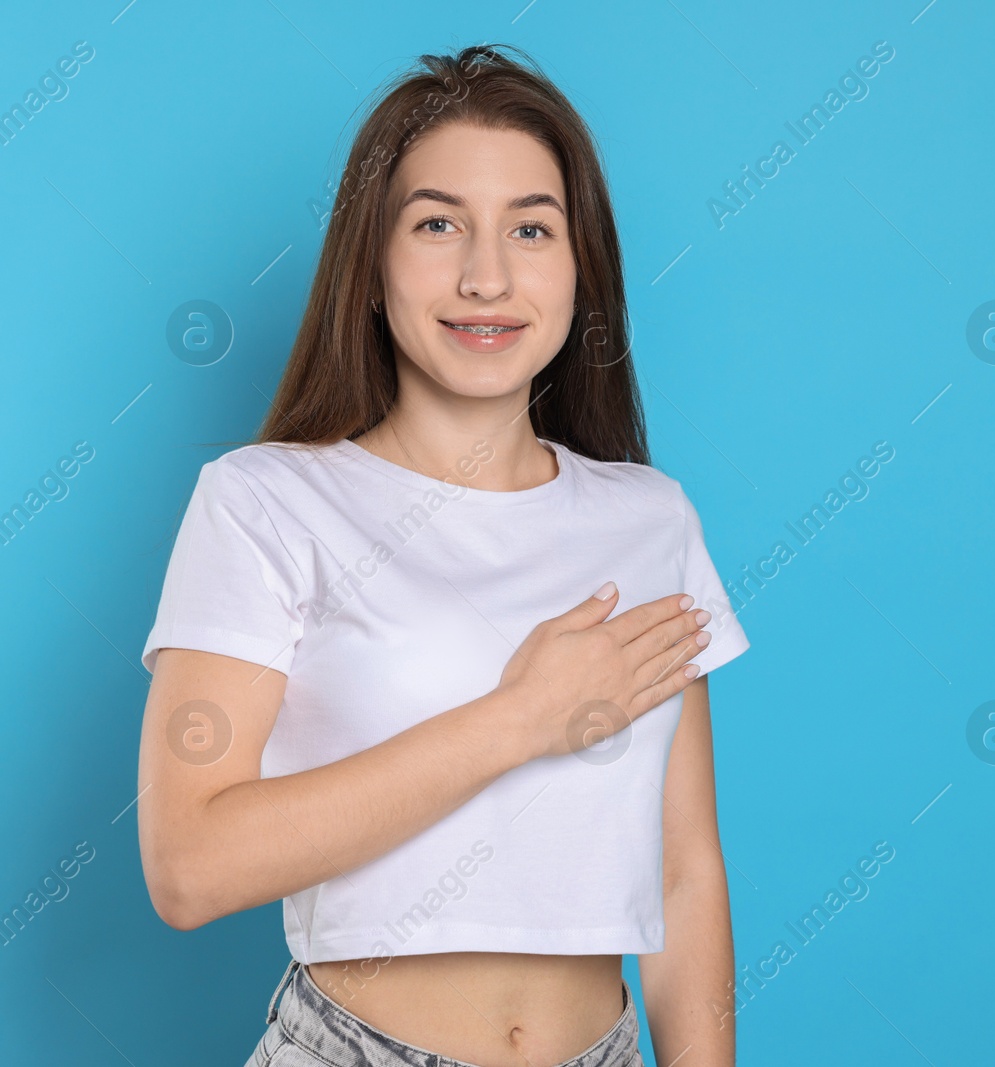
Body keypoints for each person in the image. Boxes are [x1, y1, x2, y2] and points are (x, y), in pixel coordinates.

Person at [135, 43, 750, 1067]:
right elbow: (188, 865)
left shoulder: (650, 519)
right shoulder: (266, 501)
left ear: (578, 267)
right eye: (437, 225)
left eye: (530, 228)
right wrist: (519, 718)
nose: (487, 276)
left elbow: (685, 873)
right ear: (370, 266)